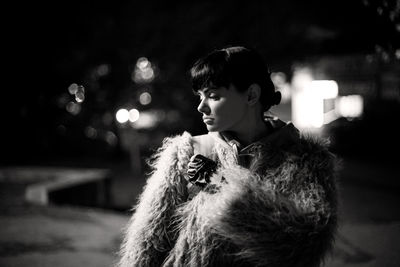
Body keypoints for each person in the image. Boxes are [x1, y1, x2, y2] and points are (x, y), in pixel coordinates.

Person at [117, 46, 338, 267]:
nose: (201, 107)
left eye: (213, 96)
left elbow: (305, 243)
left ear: (251, 95)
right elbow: (147, 247)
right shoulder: (187, 152)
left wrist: (222, 186)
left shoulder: (305, 160)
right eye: (200, 96)